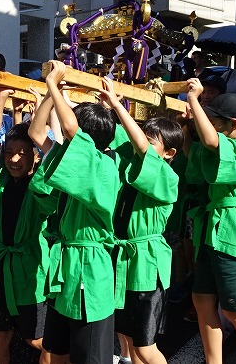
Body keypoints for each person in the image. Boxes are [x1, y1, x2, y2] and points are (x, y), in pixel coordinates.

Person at [29, 60, 119, 364]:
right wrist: (47, 94)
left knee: (89, 358)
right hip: (67, 268)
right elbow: (35, 132)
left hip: (89, 270)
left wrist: (55, 83)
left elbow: (69, 128)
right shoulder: (75, 162)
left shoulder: (104, 165)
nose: (65, 139)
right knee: (53, 353)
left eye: (72, 137)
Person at [100, 76, 183, 364]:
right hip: (125, 259)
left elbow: (141, 147)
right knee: (131, 342)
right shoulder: (133, 162)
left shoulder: (167, 176)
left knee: (146, 347)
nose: (141, 146)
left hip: (147, 266)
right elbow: (124, 136)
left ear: (169, 153)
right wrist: (109, 110)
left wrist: (117, 105)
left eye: (151, 142)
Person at [185, 87, 236, 364]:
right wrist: (189, 123)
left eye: (216, 122)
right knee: (202, 300)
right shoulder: (220, 143)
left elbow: (208, 141)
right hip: (211, 230)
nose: (211, 127)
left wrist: (194, 99)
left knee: (234, 309)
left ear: (234, 124)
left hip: (235, 233)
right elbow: (195, 153)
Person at [0, 121, 56, 364]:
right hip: (3, 274)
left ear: (36, 157)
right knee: (0, 333)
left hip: (30, 273)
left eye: (22, 153)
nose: (14, 159)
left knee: (36, 338)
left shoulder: (41, 185)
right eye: (8, 153)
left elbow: (54, 170)